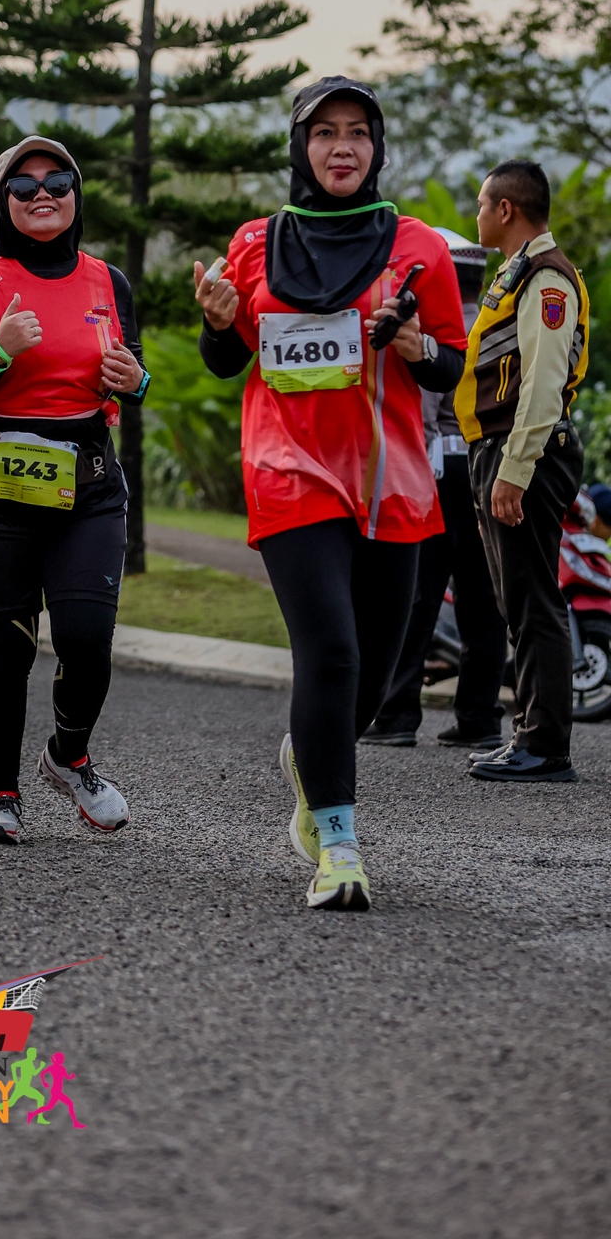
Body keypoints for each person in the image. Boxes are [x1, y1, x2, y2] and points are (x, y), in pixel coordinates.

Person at [196, 78, 466, 911]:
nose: (341, 147)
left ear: (376, 148)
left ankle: (312, 758)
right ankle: (339, 846)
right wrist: (217, 322)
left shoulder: (417, 246)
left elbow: (451, 365)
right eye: (324, 132)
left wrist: (416, 346)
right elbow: (226, 361)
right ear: (300, 146)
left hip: (392, 480)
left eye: (357, 132)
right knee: (333, 654)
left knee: (375, 676)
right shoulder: (255, 243)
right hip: (288, 470)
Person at [0, 135, 148, 846]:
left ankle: (68, 755)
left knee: (88, 639)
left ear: (77, 195)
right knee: (8, 650)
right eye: (23, 186)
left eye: (57, 181)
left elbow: (135, 374)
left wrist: (135, 380)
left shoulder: (109, 283)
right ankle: (1, 797)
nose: (43, 194)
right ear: (5, 203)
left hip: (88, 481)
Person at [456, 160, 589, 783]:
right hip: (505, 448)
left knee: (533, 599)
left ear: (505, 210)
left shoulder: (546, 278)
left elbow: (542, 384)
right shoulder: (518, 271)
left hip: (526, 451)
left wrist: (514, 469)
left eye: (483, 204)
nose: (478, 215)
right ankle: (530, 736)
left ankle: (544, 745)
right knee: (520, 599)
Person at [360, 229, 506, 751]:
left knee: (418, 596)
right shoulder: (496, 325)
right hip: (489, 470)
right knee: (483, 600)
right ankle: (480, 716)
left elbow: (421, 412)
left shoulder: (434, 332)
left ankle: (398, 712)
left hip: (440, 472)